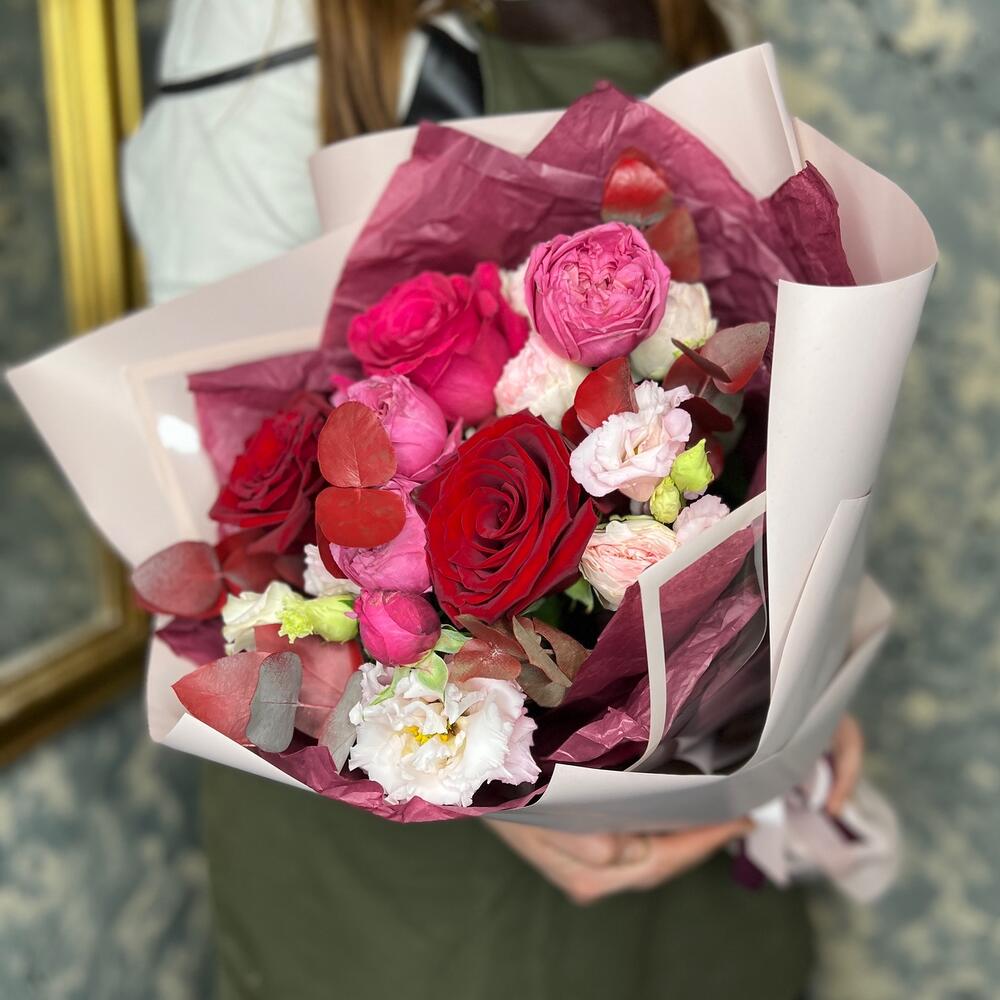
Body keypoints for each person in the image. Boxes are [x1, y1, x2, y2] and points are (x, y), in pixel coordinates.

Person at [124, 3, 864, 997]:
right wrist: (480, 772)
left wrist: (796, 674)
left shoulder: (691, 12)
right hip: (414, 868)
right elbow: (212, 479)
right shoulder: (264, 30)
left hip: (684, 803)